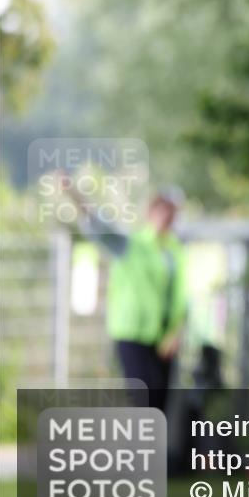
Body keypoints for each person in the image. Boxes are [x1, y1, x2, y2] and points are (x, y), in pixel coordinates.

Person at [57, 173, 189, 414]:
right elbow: (98, 224)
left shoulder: (175, 251)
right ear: (151, 211)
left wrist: (177, 331)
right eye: (163, 209)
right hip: (132, 335)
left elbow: (181, 296)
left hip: (163, 339)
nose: (168, 216)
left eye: (172, 211)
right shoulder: (132, 244)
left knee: (160, 405)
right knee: (144, 401)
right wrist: (74, 193)